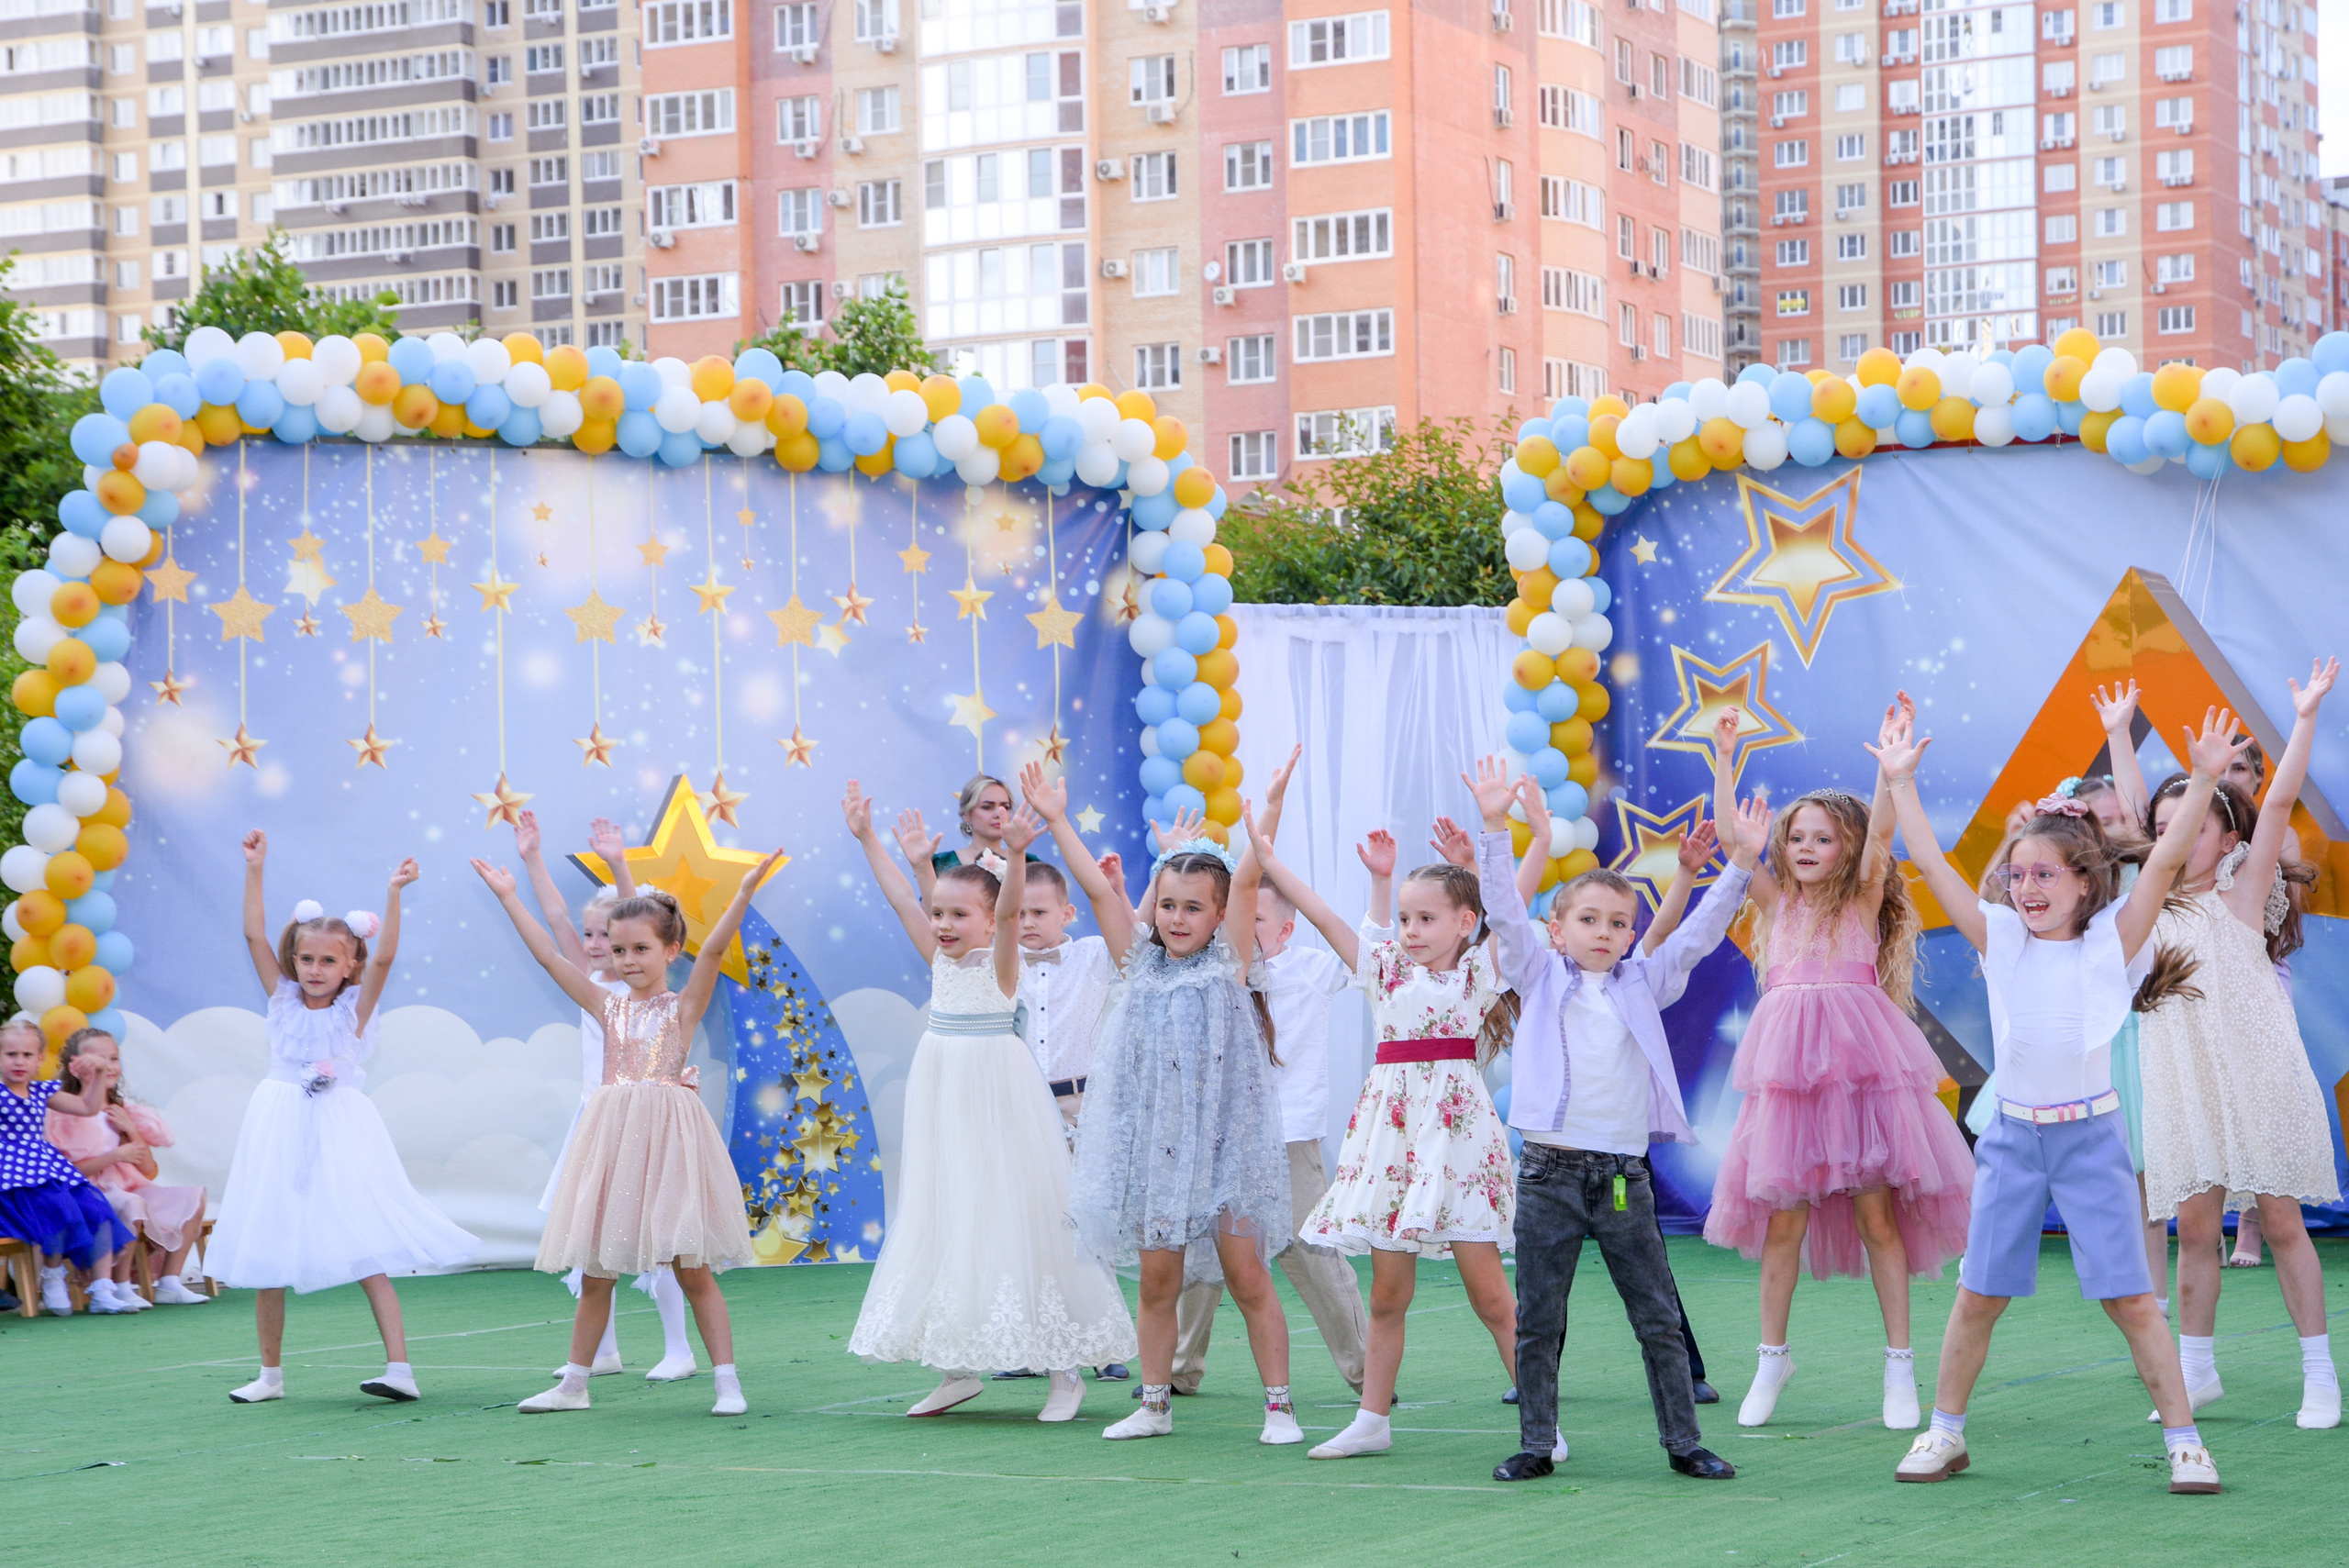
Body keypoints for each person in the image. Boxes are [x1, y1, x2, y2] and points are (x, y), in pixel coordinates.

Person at [1876, 697, 2232, 1494]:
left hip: (2091, 1141)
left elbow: (2169, 858)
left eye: (2045, 874)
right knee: (1978, 1296)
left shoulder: (2115, 940)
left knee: (2133, 1300)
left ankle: (2185, 1440)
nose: (2026, 886)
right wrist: (1901, 784)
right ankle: (1945, 1433)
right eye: (2018, 874)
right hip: (2010, 1141)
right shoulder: (2000, 935)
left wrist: (2205, 777)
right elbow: (1931, 863)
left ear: (2085, 881)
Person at [1702, 705, 1975, 1431]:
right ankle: (1771, 1358)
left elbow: (1881, 832)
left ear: (1846, 848)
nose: (1805, 847)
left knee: (1877, 1217)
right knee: (1782, 1222)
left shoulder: (1860, 895)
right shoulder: (1774, 900)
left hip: (1860, 1073)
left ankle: (1900, 1365)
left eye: (1823, 837)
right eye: (1796, 837)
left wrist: (1889, 775)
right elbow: (1734, 839)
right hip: (1791, 1080)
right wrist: (1725, 755)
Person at [1479, 777, 1758, 1483]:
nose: (1603, 933)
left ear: (1631, 934)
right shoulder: (1538, 975)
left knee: (1657, 1315)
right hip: (1548, 1174)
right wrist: (1493, 829)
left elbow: (1697, 934)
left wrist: (1742, 865)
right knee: (1540, 1319)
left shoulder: (1644, 981)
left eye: (1616, 923)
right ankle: (1536, 1442)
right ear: (1557, 928)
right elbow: (1504, 914)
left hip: (1623, 1178)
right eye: (1589, 920)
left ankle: (1683, 1440)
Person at [1254, 762, 1526, 1462]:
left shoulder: (1478, 971)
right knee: (1386, 1293)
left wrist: (1494, 828)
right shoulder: (1383, 969)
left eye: (1426, 917)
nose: (1409, 929)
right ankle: (1372, 1418)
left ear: (1466, 923)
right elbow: (1318, 910)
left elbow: (1511, 903)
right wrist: (1268, 848)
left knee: (1492, 1296)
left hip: (1458, 1144)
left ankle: (1541, 1420)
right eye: (1404, 917)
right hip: (1392, 1141)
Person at [840, 782, 1136, 1421]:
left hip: (1000, 1100)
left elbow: (1005, 916)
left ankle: (1064, 1372)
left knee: (1023, 1216)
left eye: (956, 915)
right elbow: (901, 899)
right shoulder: (939, 960)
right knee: (952, 1215)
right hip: (943, 1099)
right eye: (938, 915)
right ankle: (956, 1370)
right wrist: (870, 838)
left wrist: (1019, 855)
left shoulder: (1002, 964)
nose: (943, 925)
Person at [474, 850, 777, 1418]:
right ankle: (575, 1384)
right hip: (615, 1140)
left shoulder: (683, 1007)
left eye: (641, 949)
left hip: (669, 1141)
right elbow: (546, 956)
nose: (628, 960)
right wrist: (508, 895)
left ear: (670, 950)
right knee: (596, 1269)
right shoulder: (605, 1005)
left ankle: (727, 1382)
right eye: (619, 950)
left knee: (692, 1267)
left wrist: (743, 894)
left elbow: (713, 952)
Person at [2133, 657, 2341, 1430]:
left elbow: (2280, 796)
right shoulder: (2146, 903)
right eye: (2161, 827)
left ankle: (2319, 1373)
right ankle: (2194, 1371)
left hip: (2255, 1071)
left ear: (2227, 837)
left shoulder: (2245, 891)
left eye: (2191, 821)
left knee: (2281, 1217)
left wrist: (2308, 715)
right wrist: (2129, 744)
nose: (2173, 835)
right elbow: (2131, 809)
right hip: (2182, 1077)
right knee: (2194, 1227)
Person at [212, 834, 477, 1403]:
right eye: (306, 958)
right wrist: (255, 867)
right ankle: (270, 1375)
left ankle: (400, 1369)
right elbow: (254, 934)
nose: (313, 969)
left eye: (328, 959)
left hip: (336, 1125)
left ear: (349, 965)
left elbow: (385, 957)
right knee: (268, 1241)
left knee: (364, 1243)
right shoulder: (281, 999)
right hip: (279, 1119)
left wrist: (394, 893)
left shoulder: (355, 1009)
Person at [1063, 807, 1297, 1445]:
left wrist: (1266, 813)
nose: (1176, 918)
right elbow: (1095, 890)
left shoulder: (1231, 968)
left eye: (1193, 907)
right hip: (1161, 1156)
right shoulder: (1139, 967)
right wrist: (1059, 819)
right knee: (1159, 1281)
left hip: (1228, 1152)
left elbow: (1248, 880)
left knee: (1249, 1278)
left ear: (1220, 915)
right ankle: (1154, 1403)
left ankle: (1279, 1407)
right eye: (1168, 904)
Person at [1155, 748, 1370, 1405]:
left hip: (1290, 1136)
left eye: (1262, 922)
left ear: (1287, 926)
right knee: (1202, 1259)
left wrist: (1269, 815)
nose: (1250, 930)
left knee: (1313, 1254)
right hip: (1219, 1139)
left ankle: (1366, 1367)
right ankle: (1177, 1369)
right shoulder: (1218, 973)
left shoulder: (1308, 968)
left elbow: (1364, 947)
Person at [511, 811, 698, 1385]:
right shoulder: (594, 985)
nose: (596, 946)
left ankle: (678, 1348)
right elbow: (555, 923)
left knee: (659, 1235)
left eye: (608, 938)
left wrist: (621, 865)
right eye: (592, 938)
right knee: (594, 1236)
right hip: (598, 1119)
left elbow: (643, 920)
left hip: (647, 1119)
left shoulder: (632, 987)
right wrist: (531, 860)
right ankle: (604, 1349)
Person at [47, 1028, 209, 1307]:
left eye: (114, 1058)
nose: (108, 1067)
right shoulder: (63, 1112)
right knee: (130, 1203)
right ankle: (121, 1286)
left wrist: (131, 1130)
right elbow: (65, 1173)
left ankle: (169, 1282)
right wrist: (116, 1155)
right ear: (76, 1065)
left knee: (194, 1198)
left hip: (127, 1185)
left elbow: (148, 1170)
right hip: (89, 1192)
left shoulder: (122, 1109)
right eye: (99, 1059)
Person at [0, 1018, 133, 1316]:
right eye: (11, 1054)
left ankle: (102, 1289)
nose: (19, 1061)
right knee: (56, 1204)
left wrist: (98, 1072)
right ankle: (52, 1274)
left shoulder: (41, 1091)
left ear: (39, 1061)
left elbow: (88, 1107)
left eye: (27, 1055)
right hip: (11, 1175)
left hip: (45, 1166)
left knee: (93, 1205)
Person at [897, 774, 1041, 903]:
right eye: (987, 807)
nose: (998, 813)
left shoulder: (1029, 863)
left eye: (1005, 807)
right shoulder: (942, 864)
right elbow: (930, 921)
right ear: (966, 814)